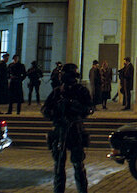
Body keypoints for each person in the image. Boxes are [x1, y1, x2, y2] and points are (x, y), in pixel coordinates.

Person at [42, 63, 93, 193]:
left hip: (75, 130)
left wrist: (75, 106)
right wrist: (55, 111)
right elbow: (45, 110)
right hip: (60, 130)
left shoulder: (81, 91)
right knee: (59, 166)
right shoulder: (57, 92)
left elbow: (89, 109)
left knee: (78, 165)